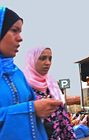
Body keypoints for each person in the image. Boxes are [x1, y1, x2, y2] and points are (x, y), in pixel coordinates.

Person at [0, 6, 62, 140]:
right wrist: (30, 109)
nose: (20, 38)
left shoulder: (17, 74)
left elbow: (32, 103)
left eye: (50, 58)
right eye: (14, 30)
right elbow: (31, 106)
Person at [24, 47, 77, 140]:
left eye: (50, 58)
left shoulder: (52, 84)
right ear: (32, 59)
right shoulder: (23, 86)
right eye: (42, 58)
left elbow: (63, 116)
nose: (48, 62)